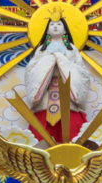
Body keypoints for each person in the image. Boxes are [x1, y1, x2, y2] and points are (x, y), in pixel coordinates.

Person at [24, 11, 90, 142]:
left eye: (59, 24)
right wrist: (49, 61)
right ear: (47, 30)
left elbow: (81, 71)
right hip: (45, 95)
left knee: (72, 138)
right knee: (41, 138)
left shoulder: (71, 49)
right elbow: (31, 70)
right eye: (52, 24)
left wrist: (61, 61)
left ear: (65, 29)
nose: (55, 26)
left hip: (68, 96)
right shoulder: (41, 50)